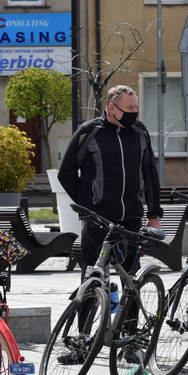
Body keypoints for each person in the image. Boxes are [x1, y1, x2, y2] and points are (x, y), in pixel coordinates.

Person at [59, 84, 163, 274]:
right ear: (112, 108)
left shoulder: (139, 131)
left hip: (131, 219)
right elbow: (66, 173)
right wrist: (87, 204)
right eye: (129, 108)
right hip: (98, 220)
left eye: (136, 108)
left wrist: (154, 215)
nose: (134, 113)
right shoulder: (88, 132)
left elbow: (150, 173)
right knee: (93, 276)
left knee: (130, 278)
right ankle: (92, 302)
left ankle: (125, 304)